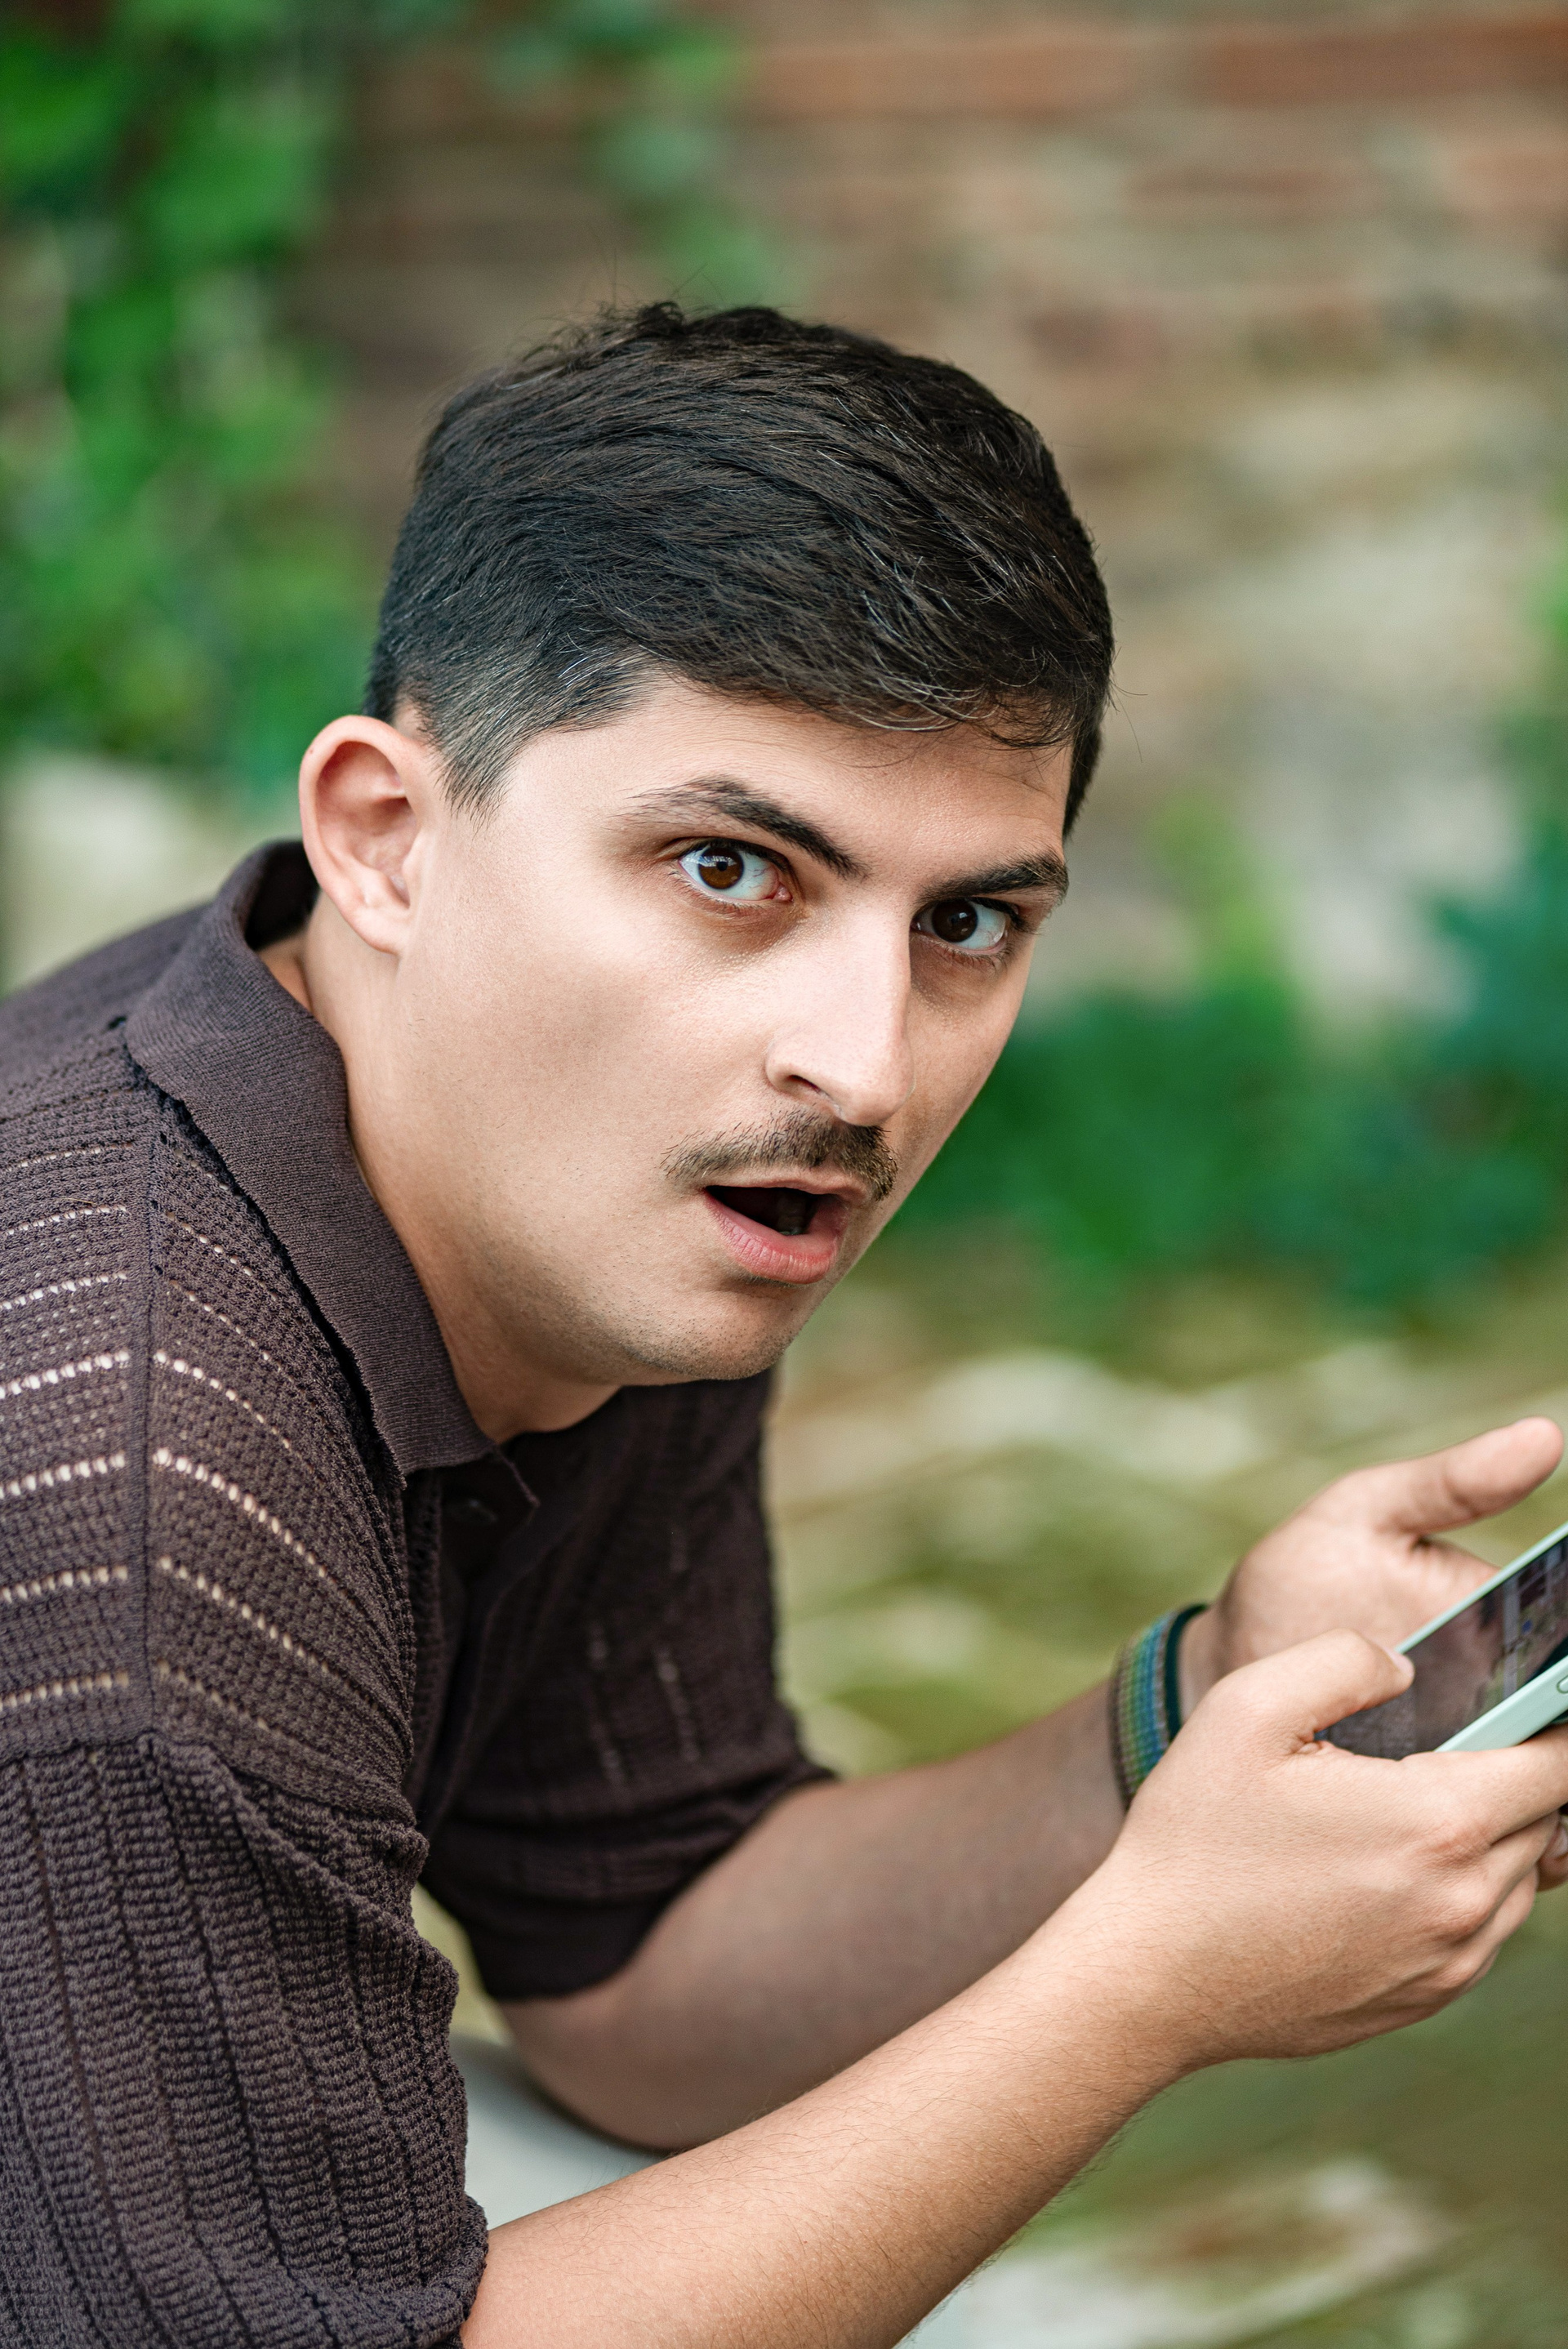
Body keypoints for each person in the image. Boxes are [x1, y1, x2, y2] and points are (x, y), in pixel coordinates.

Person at [2, 301, 1565, 2349]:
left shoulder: (563, 1170)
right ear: (385, 836)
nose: (864, 1063)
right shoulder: (139, 1472)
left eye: (968, 923)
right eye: (732, 868)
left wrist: (1198, 1714)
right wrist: (1145, 1986)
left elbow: (643, 1953)